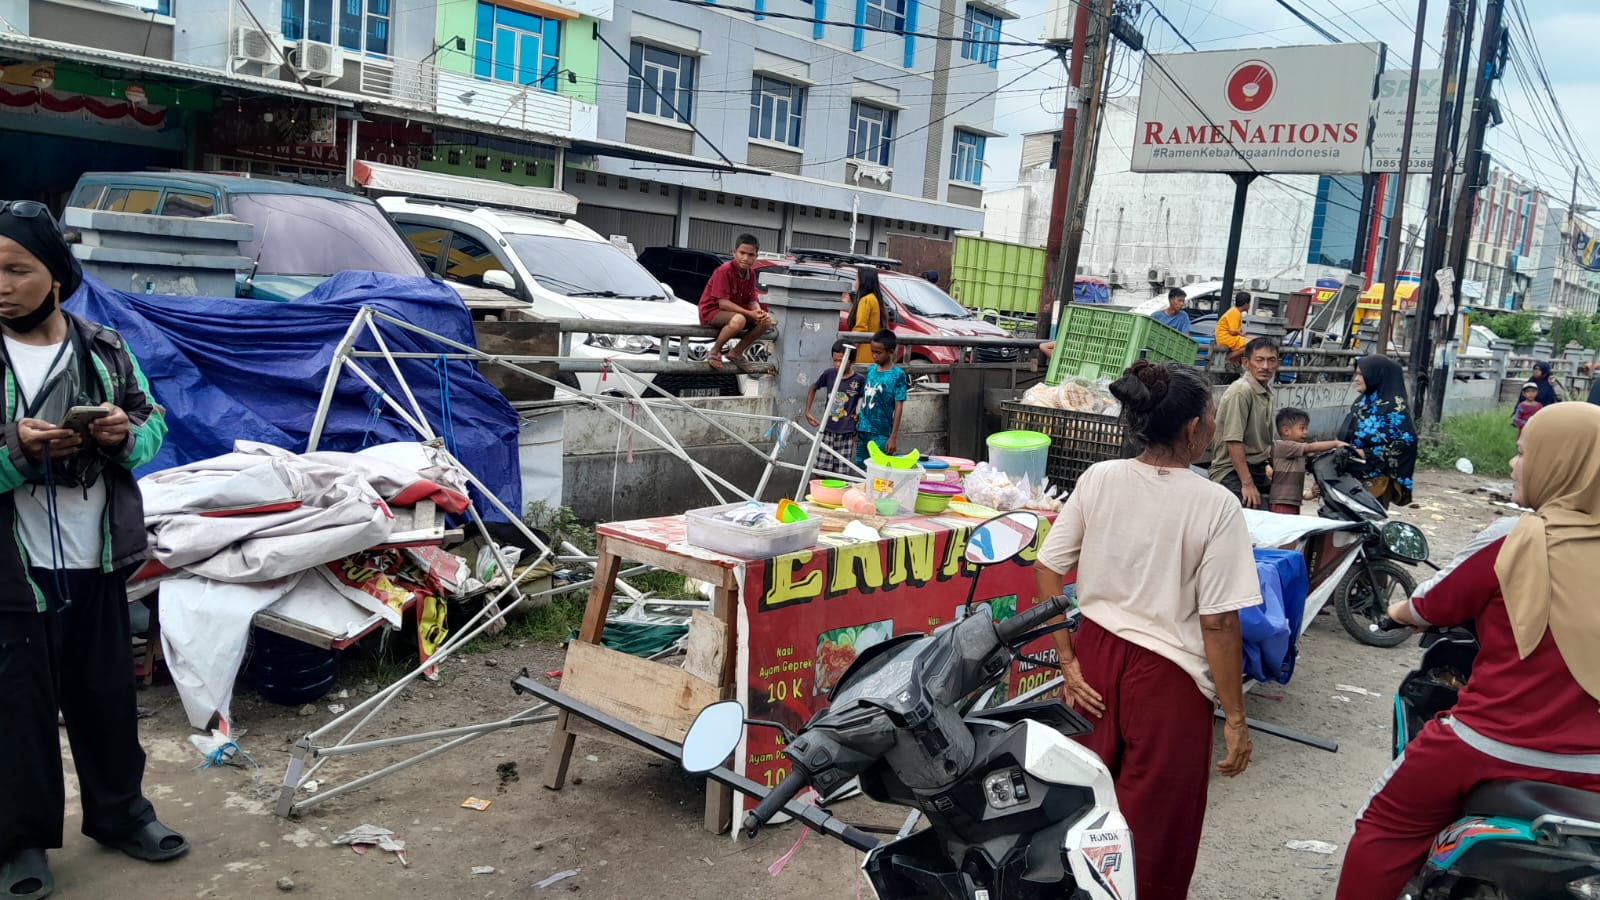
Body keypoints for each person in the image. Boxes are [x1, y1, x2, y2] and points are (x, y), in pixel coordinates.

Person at [1336, 402, 1600, 900]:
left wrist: (1395, 615)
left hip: (1489, 746)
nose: (1514, 465)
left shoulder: (1516, 540)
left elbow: (1430, 603)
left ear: (1559, 463)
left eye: (1524, 453)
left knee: (1382, 827)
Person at [0, 201, 181, 900]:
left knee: (107, 698)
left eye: (19, 269)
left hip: (96, 555)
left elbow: (151, 420)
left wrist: (119, 436)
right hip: (15, 571)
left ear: (56, 274)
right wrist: (17, 449)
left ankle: (120, 815)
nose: (4, 284)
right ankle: (20, 843)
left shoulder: (102, 346)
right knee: (18, 709)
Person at [1034, 360, 1260, 900]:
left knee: (1085, 811)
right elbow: (1221, 623)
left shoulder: (1099, 478)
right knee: (1152, 832)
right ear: (1192, 429)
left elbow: (1047, 568)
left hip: (1095, 657)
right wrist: (1235, 716)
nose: (1209, 426)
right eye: (1208, 418)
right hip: (1168, 681)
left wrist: (1067, 659)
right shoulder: (1216, 504)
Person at [1209, 337, 1281, 508]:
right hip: (1230, 471)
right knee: (1253, 513)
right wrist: (1247, 484)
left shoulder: (1266, 391)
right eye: (1259, 360)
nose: (1265, 366)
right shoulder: (1242, 391)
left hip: (1256, 468)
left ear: (1277, 364)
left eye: (1271, 361)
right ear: (1246, 363)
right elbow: (1233, 441)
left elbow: (1268, 441)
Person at [1339, 355, 1418, 508]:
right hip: (1350, 475)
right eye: (1356, 374)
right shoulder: (1363, 402)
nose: (1356, 379)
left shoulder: (1395, 409)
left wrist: (1364, 453)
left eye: (1361, 374)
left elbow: (1405, 444)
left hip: (1375, 481)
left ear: (1377, 375)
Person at [697, 233, 774, 370]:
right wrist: (750, 314)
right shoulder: (724, 271)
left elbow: (751, 300)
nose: (745, 258)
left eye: (751, 255)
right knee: (739, 320)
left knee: (766, 321)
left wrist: (758, 312)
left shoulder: (751, 274)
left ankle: (736, 352)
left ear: (756, 256)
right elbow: (723, 304)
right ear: (734, 252)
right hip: (713, 312)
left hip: (736, 313)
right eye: (742, 253)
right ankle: (714, 352)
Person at [1268, 407, 1349, 515]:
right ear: (1286, 430)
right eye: (1302, 428)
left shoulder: (1298, 452)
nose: (1306, 432)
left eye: (1306, 428)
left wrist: (1310, 494)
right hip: (1281, 503)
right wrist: (1336, 444)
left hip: (1293, 502)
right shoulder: (1282, 446)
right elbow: (1311, 447)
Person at [804, 340, 865, 475]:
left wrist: (858, 419)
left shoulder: (859, 380)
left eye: (842, 361)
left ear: (852, 360)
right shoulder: (829, 374)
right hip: (827, 429)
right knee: (821, 469)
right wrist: (807, 412)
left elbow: (863, 401)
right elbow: (813, 388)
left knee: (841, 472)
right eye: (835, 360)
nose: (838, 365)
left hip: (847, 432)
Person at [855, 329, 908, 465]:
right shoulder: (871, 370)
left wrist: (893, 437)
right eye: (872, 351)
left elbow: (899, 406)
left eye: (878, 352)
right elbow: (865, 398)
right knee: (860, 467)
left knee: (879, 470)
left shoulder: (898, 375)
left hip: (881, 432)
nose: (874, 355)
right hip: (863, 429)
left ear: (890, 352)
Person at [846, 266, 883, 364]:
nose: (855, 281)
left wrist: (849, 349)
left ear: (863, 280)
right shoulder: (874, 298)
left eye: (856, 278)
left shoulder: (865, 300)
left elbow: (860, 327)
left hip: (863, 353)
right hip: (872, 352)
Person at [1213, 291, 1251, 361]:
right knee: (1252, 345)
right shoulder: (1235, 312)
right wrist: (1241, 334)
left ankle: (1234, 362)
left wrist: (1243, 335)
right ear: (1246, 304)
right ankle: (1229, 359)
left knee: (1253, 340)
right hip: (1225, 337)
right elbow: (1232, 332)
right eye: (1249, 303)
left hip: (1226, 337)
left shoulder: (1235, 311)